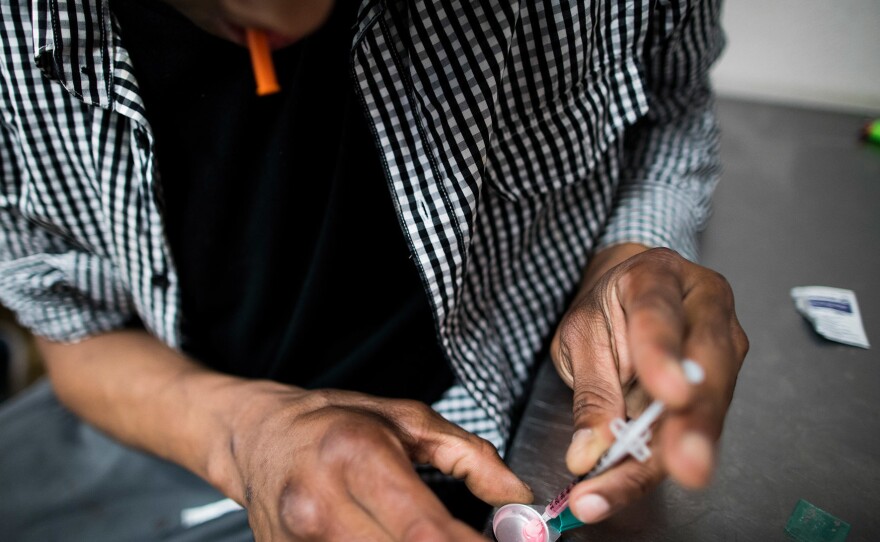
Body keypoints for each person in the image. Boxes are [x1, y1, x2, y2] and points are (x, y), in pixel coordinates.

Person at [0, 0, 748, 540]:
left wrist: (630, 255)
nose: (283, 16)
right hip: (175, 435)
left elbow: (673, 115)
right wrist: (241, 436)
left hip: (524, 425)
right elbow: (70, 324)